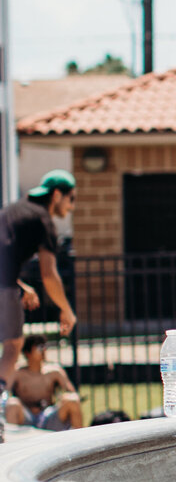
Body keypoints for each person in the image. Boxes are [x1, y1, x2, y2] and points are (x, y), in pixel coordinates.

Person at [0, 171, 77, 442]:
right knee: (13, 345)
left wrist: (20, 286)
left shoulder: (13, 210)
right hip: (3, 287)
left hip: (7, 282)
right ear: (56, 195)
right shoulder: (43, 220)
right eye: (71, 199)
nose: (71, 206)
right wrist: (66, 309)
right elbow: (48, 274)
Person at [5, 335, 83, 430]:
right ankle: (12, 444)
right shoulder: (17, 373)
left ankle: (83, 442)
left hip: (48, 416)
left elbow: (71, 392)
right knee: (12, 404)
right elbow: (4, 393)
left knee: (72, 400)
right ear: (27, 353)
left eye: (44, 346)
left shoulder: (55, 371)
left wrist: (62, 397)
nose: (44, 350)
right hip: (26, 418)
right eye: (39, 347)